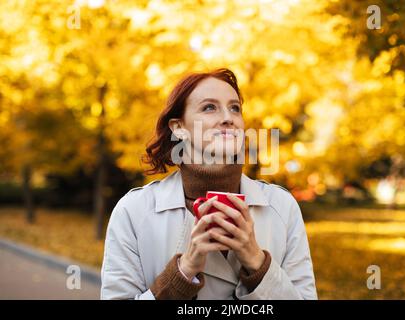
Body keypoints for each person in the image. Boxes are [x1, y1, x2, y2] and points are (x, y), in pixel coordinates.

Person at [100, 68, 317, 300]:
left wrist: (257, 262)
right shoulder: (134, 211)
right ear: (179, 128)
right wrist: (183, 273)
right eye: (209, 107)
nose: (228, 118)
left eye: (235, 108)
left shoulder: (282, 207)